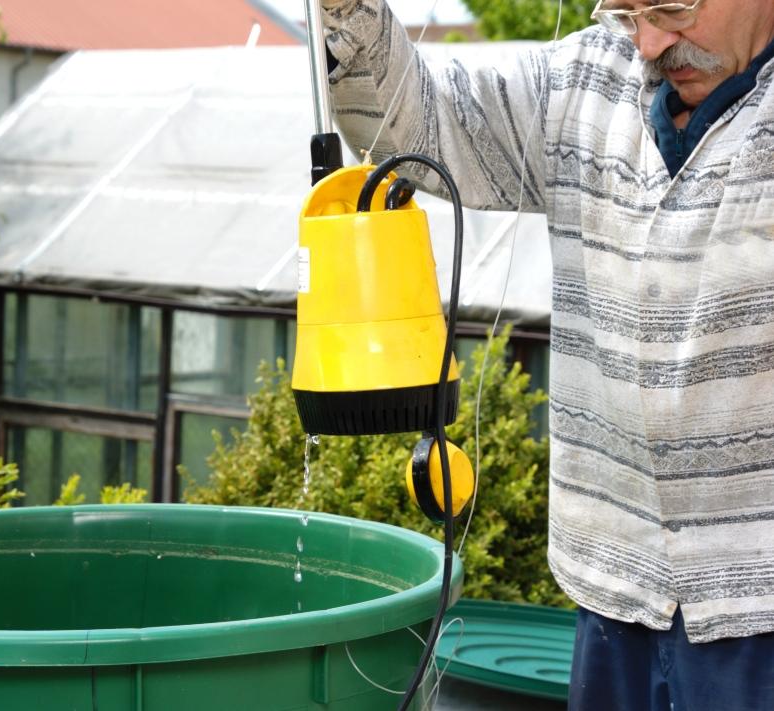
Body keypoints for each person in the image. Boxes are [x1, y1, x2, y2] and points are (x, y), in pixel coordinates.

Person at [317, 1, 774, 709]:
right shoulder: (588, 78)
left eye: (672, 10)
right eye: (626, 11)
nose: (649, 42)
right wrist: (349, 12)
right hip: (614, 589)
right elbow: (419, 120)